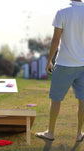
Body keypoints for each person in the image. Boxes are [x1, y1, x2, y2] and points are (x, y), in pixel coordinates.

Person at [35, 0, 84, 142]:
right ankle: (79, 133)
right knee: (83, 100)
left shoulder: (62, 12)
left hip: (64, 63)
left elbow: (55, 40)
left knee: (56, 99)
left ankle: (50, 132)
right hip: (83, 64)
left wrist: (49, 60)